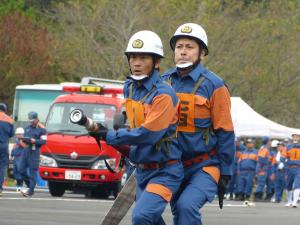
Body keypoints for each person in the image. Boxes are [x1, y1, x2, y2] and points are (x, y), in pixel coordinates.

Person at [89, 30, 183, 225]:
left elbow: (148, 134)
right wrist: (102, 132)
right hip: (141, 170)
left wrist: (110, 135)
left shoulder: (164, 95)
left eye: (143, 57)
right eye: (132, 57)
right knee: (152, 219)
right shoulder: (129, 87)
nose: (136, 63)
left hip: (165, 171)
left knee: (142, 217)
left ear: (156, 62)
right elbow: (133, 125)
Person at [162, 23, 235, 225]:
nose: (183, 51)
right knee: (166, 211)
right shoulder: (161, 82)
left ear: (202, 53)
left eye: (189, 47)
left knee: (186, 207)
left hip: (205, 165)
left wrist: (226, 171)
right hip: (170, 165)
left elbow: (226, 130)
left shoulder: (215, 85)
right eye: (179, 47)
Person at [20, 112, 46, 197]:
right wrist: (23, 139)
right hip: (26, 149)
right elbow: (25, 138)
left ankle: (30, 190)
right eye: (30, 120)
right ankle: (30, 186)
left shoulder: (42, 129)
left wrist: (35, 141)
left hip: (35, 151)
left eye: (32, 120)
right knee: (21, 169)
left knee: (32, 172)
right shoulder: (27, 128)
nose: (31, 122)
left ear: (36, 119)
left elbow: (43, 141)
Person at [0, 103, 14, 196]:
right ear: (5, 110)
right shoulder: (9, 120)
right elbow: (11, 134)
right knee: (2, 167)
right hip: (3, 145)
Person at [285, 131, 300, 207]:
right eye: (294, 136)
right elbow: (284, 156)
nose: (295, 138)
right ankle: (289, 201)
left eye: (297, 136)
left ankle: (295, 202)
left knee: (298, 185)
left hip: (298, 169)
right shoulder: (288, 147)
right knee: (288, 186)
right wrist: (282, 161)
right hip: (290, 168)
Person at [254, 136, 271, 201]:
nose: (270, 142)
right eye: (269, 141)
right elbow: (261, 159)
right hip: (262, 168)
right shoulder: (264, 149)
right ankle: (257, 196)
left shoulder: (264, 148)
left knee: (263, 182)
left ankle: (261, 196)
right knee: (261, 183)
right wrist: (261, 169)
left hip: (264, 168)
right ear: (267, 141)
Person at [11, 127, 26, 191]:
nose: (18, 135)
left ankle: (21, 184)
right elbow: (14, 148)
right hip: (16, 157)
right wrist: (12, 154)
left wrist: (21, 141)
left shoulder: (23, 140)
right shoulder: (16, 141)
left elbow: (25, 147)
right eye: (17, 134)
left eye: (20, 134)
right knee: (15, 171)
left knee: (20, 171)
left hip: (21, 157)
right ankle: (18, 184)